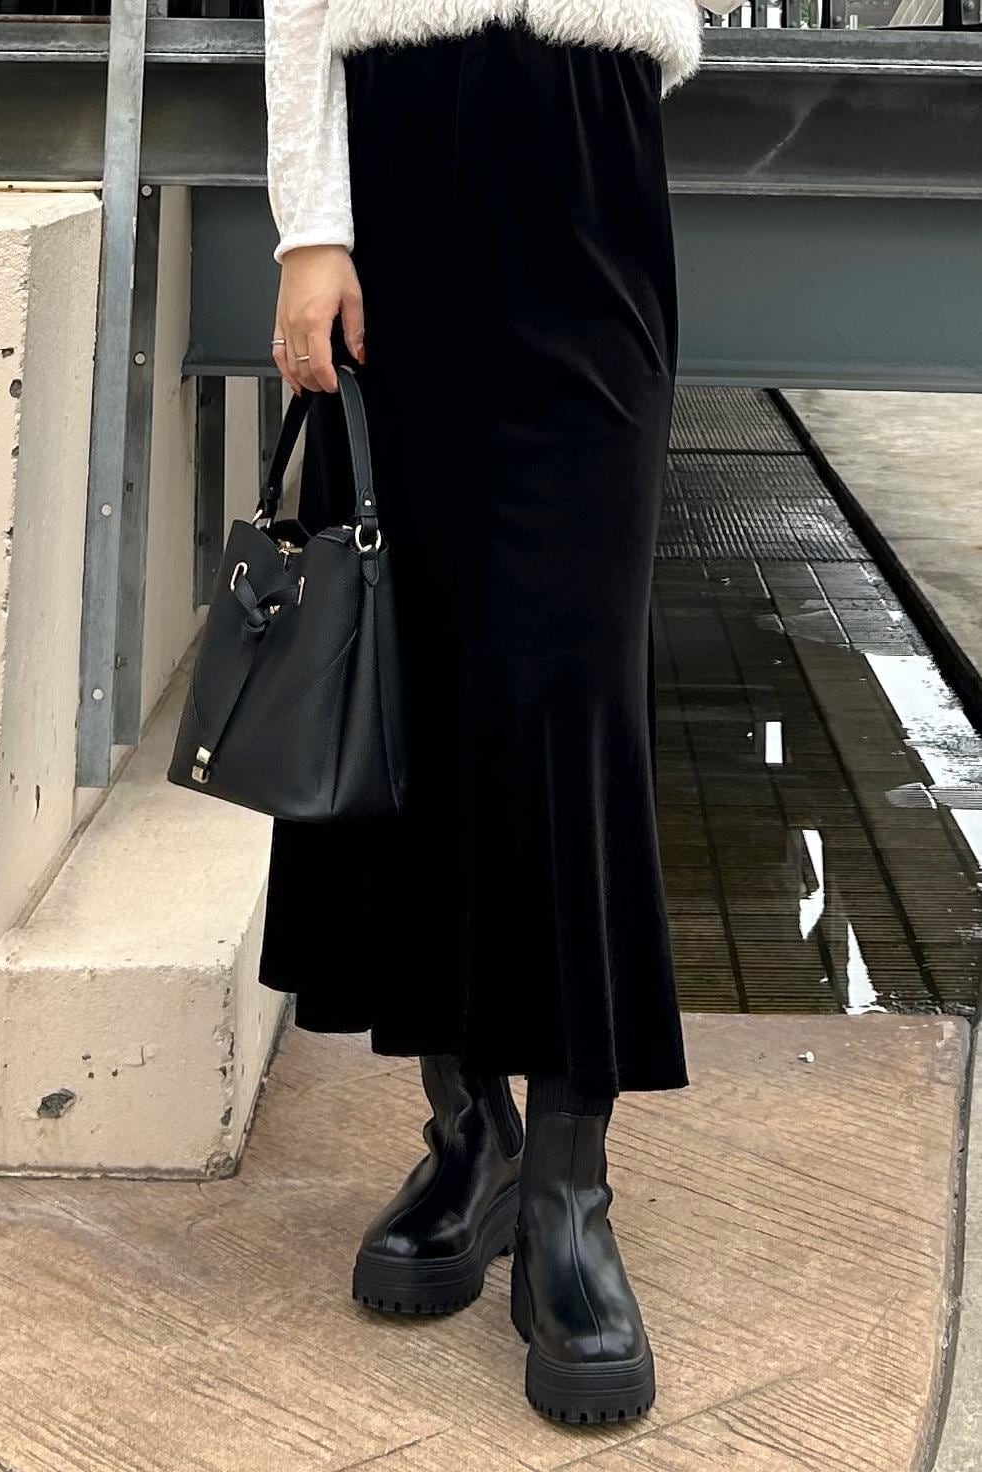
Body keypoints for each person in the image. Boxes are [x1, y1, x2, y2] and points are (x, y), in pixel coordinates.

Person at [260, 0, 740, 1425]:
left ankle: (573, 1186)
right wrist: (310, 227)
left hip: (592, 147)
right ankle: (471, 1132)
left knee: (572, 687)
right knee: (416, 670)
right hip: (399, 151)